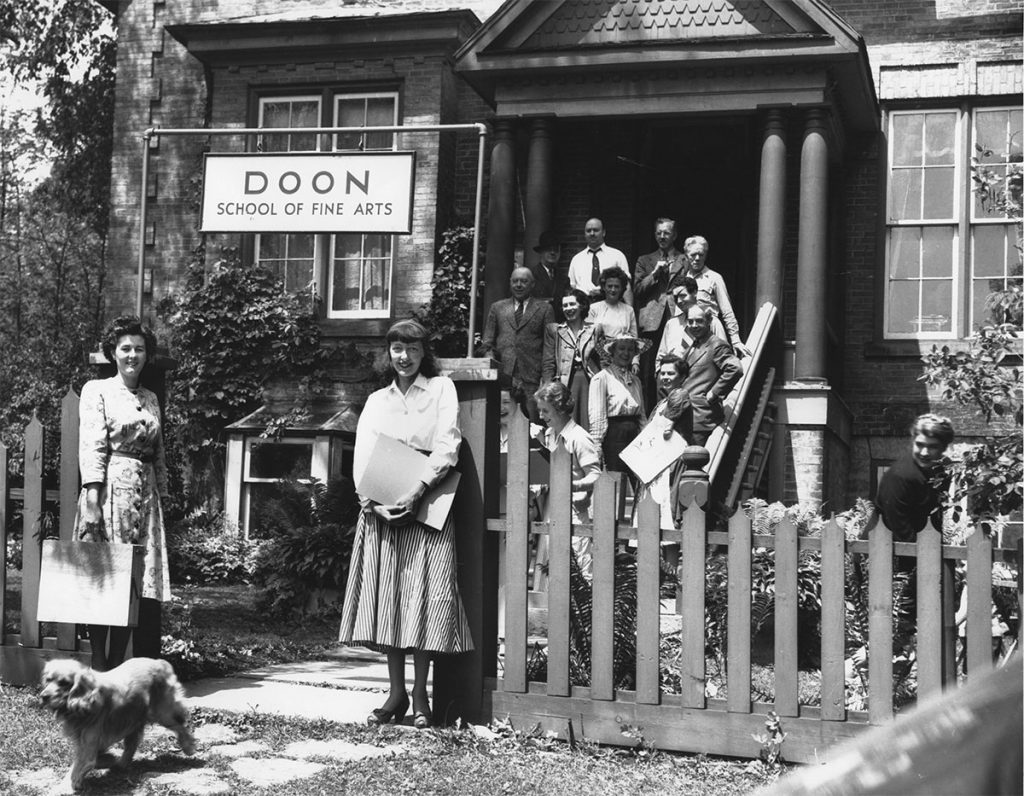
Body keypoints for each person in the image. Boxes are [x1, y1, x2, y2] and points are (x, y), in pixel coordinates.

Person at [339, 319, 473, 730]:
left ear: (423, 352)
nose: (404, 357)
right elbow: (363, 455)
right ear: (389, 352)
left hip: (426, 500)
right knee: (390, 600)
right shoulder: (378, 399)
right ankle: (395, 692)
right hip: (382, 505)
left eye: (412, 349)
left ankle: (420, 694)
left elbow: (448, 444)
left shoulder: (440, 389)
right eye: (397, 349)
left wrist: (416, 491)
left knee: (422, 598)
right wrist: (372, 505)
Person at [76, 315, 169, 671]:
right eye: (125, 348)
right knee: (105, 577)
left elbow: (159, 453)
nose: (132, 355)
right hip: (112, 491)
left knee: (135, 583)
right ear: (113, 353)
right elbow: (93, 446)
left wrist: (161, 495)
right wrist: (92, 499)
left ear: (147, 356)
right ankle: (99, 662)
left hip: (145, 500)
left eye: (139, 349)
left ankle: (118, 664)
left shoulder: (150, 397)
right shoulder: (96, 390)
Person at [531, 381, 601, 574]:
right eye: (540, 410)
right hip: (552, 510)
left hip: (575, 512)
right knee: (556, 569)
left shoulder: (579, 437)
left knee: (580, 568)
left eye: (545, 411)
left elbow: (596, 475)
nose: (540, 416)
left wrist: (574, 486)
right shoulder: (550, 434)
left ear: (560, 409)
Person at [481, 267, 555, 422]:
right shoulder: (497, 308)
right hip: (503, 379)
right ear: (510, 283)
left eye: (524, 281)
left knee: (534, 428)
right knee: (501, 425)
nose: (519, 285)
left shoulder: (545, 309)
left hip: (533, 380)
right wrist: (496, 370)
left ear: (532, 284)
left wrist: (546, 381)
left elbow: (550, 347)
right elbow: (487, 343)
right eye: (515, 281)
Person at [634, 354, 693, 531]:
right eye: (663, 373)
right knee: (650, 518)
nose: (665, 377)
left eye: (671, 374)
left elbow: (664, 429)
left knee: (666, 515)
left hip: (670, 464)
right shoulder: (662, 402)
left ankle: (671, 560)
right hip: (655, 464)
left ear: (682, 377)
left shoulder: (680, 395)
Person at [633, 218, 687, 407]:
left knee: (675, 367)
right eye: (658, 233)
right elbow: (637, 291)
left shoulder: (684, 259)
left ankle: (674, 407)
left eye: (666, 233)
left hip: (675, 318)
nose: (662, 237)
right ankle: (649, 412)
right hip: (651, 323)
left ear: (674, 235)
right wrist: (655, 273)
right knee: (648, 372)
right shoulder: (644, 260)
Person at [679, 305, 742, 446]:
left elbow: (735, 368)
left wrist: (715, 392)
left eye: (699, 321)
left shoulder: (717, 345)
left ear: (708, 321)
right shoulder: (693, 345)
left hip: (702, 418)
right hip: (686, 417)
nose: (694, 325)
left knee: (695, 463)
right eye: (690, 321)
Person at [589, 333, 649, 480]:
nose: (626, 353)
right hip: (614, 435)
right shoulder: (601, 378)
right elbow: (597, 415)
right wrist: (597, 444)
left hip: (634, 435)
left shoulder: (635, 381)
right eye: (621, 349)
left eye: (630, 350)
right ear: (612, 351)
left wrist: (647, 438)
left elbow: (641, 415)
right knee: (616, 480)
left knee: (637, 478)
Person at [541, 288, 601, 428]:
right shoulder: (555, 330)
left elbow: (603, 361)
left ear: (582, 306)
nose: (568, 309)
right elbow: (548, 363)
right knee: (567, 422)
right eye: (565, 305)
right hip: (565, 382)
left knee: (590, 421)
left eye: (572, 304)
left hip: (589, 382)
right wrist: (547, 389)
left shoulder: (595, 330)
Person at [681, 235, 749, 357]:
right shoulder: (682, 279)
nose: (697, 258)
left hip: (711, 328)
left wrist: (735, 339)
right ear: (686, 256)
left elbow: (727, 310)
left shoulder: (714, 278)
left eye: (701, 255)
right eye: (693, 255)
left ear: (705, 256)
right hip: (689, 330)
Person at [567, 217, 633, 305]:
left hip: (610, 305)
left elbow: (626, 286)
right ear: (585, 234)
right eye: (588, 231)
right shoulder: (576, 259)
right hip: (584, 307)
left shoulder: (617, 255)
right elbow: (572, 288)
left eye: (596, 230)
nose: (592, 233)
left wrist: (629, 311)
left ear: (604, 232)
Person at [586, 266, 638, 357]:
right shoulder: (594, 308)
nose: (613, 290)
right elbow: (587, 338)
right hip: (598, 356)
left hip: (622, 357)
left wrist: (635, 362)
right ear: (604, 287)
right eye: (610, 286)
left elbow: (634, 339)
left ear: (622, 288)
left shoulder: (628, 310)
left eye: (617, 286)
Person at [655, 277, 702, 370]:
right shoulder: (672, 324)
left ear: (695, 293)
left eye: (683, 295)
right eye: (676, 297)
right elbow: (661, 356)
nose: (679, 301)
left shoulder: (711, 322)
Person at [530, 230, 567, 318]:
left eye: (556, 249)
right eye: (548, 249)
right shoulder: (530, 276)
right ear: (541, 251)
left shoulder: (564, 279)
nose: (553, 252)